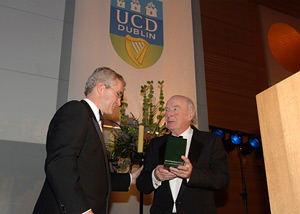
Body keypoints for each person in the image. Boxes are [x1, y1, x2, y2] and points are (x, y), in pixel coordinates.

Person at [33, 67, 142, 214]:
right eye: (118, 94)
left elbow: (90, 175)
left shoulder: (92, 120)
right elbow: (60, 165)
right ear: (101, 88)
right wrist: (82, 211)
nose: (119, 102)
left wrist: (129, 179)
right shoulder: (76, 110)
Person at [136, 95, 230, 214]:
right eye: (166, 110)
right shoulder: (156, 144)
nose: (168, 114)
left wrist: (192, 174)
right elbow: (142, 184)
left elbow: (222, 180)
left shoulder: (210, 141)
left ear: (190, 115)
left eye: (175, 109)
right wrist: (156, 176)